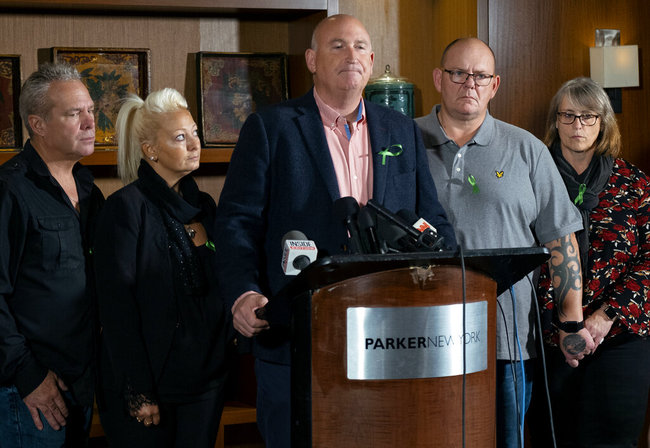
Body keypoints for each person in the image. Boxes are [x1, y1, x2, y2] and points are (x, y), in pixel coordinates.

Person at [215, 14, 456, 447]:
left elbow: (432, 219)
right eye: (338, 46)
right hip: (297, 335)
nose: (352, 55)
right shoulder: (270, 129)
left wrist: (445, 262)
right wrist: (244, 292)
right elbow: (237, 222)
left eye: (361, 46)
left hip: (388, 336)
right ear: (311, 59)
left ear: (372, 60)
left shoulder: (400, 129)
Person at [415, 38, 595, 448]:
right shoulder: (404, 142)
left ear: (494, 85)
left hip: (505, 343)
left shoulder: (527, 150)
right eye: (458, 73)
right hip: (418, 334)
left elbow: (560, 242)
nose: (469, 84)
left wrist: (571, 322)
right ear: (439, 79)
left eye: (479, 76)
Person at [93, 88, 232, 448]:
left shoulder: (204, 205)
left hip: (206, 383)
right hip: (152, 385)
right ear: (150, 150)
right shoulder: (125, 209)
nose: (194, 144)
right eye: (180, 138)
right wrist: (140, 391)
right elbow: (116, 308)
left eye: (195, 133)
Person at [535, 77, 650, 447]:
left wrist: (601, 319)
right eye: (568, 115)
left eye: (588, 116)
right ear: (555, 121)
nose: (577, 126)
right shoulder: (532, 178)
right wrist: (565, 326)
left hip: (619, 336)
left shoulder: (634, 183)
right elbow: (525, 255)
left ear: (603, 123)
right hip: (549, 339)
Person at [0, 63, 104, 446]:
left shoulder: (89, 190)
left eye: (91, 110)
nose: (90, 122)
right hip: (26, 391)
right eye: (75, 113)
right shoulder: (9, 191)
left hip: (81, 382)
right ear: (38, 124)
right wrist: (29, 376)